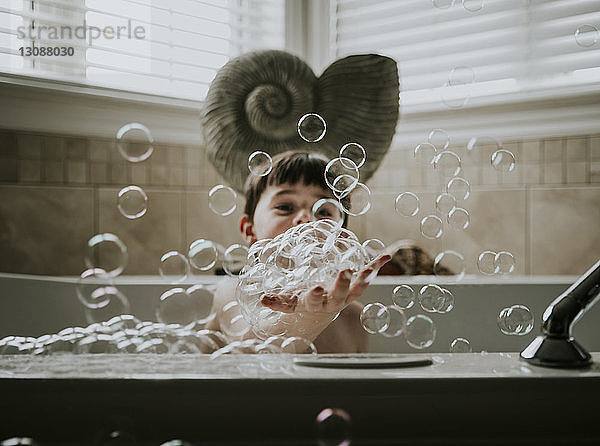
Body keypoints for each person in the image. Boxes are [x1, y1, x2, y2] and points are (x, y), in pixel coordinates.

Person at [205, 151, 391, 353]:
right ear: (249, 229)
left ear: (340, 238)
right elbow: (255, 353)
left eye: (323, 212)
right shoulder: (231, 292)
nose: (305, 218)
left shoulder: (354, 318)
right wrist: (312, 317)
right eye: (285, 207)